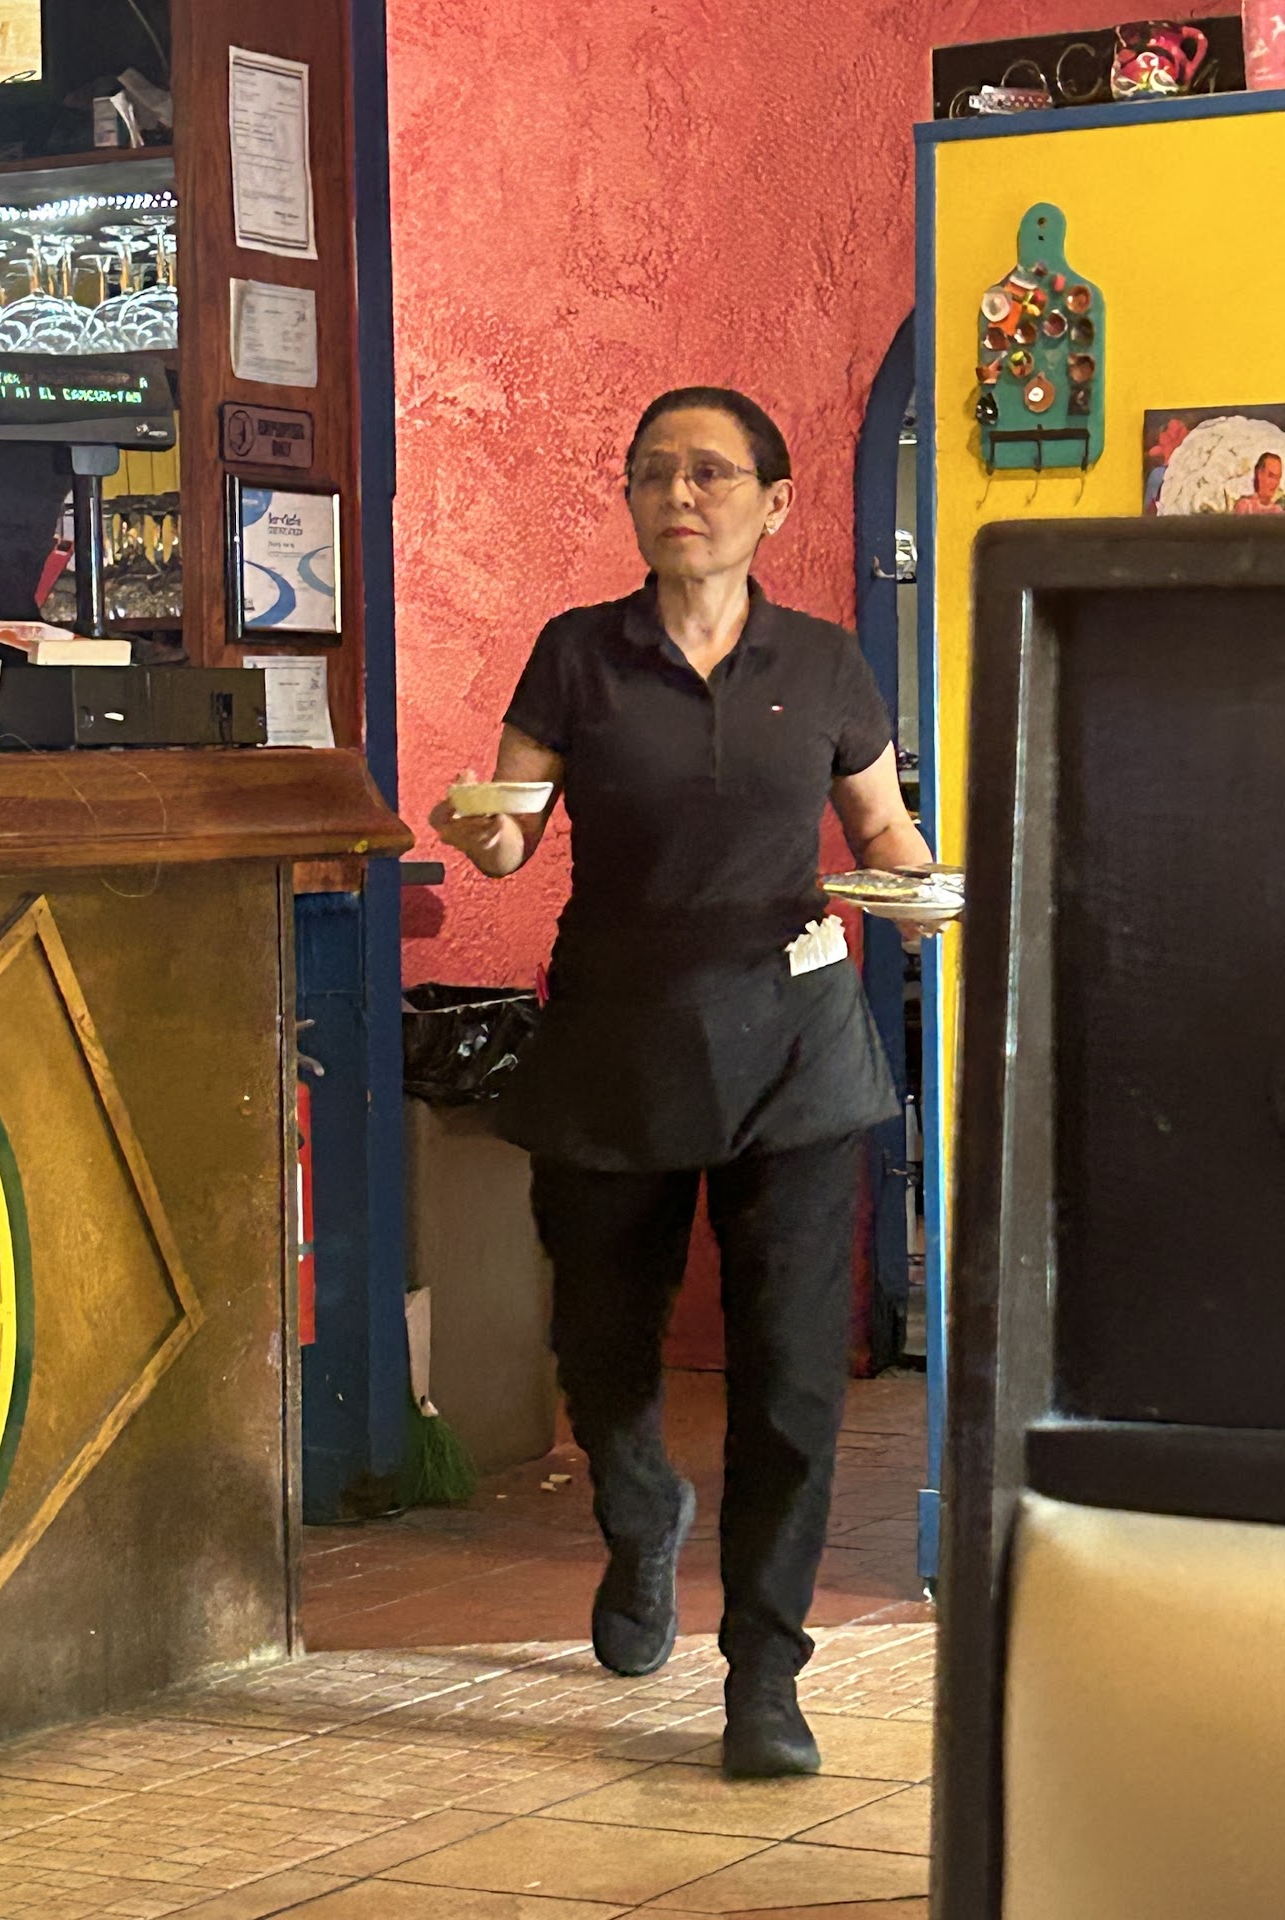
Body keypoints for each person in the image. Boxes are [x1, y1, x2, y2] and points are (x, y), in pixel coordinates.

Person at [430, 387, 935, 1780]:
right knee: (599, 1344)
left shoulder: (823, 661)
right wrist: (476, 830)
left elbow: (879, 828)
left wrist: (924, 891)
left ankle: (765, 1673)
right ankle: (642, 1505)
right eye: (654, 473)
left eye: (711, 472)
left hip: (797, 1051)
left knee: (790, 1380)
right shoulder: (577, 653)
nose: (680, 495)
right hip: (616, 1045)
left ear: (775, 502)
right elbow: (512, 831)